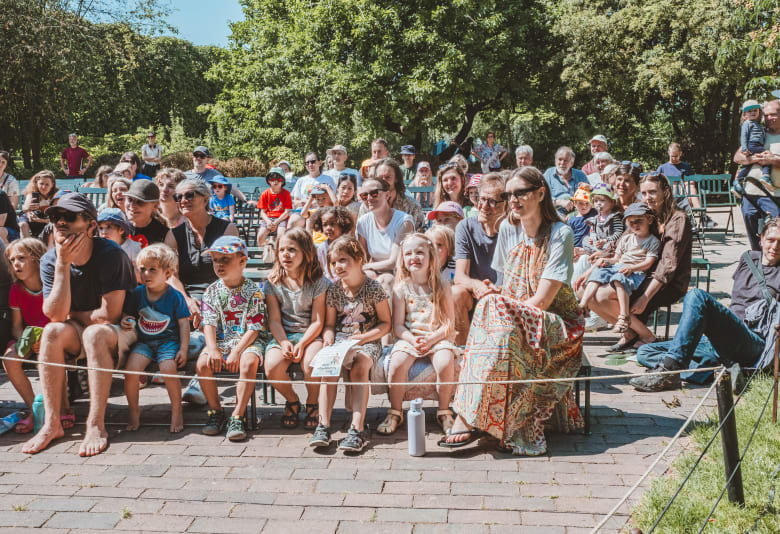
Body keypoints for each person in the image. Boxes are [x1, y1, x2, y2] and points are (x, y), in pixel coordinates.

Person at [439, 166, 584, 455]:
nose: (513, 200)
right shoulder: (508, 228)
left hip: (558, 323)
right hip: (517, 313)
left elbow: (542, 301)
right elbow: (509, 284)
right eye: (509, 194)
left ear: (541, 193)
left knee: (493, 309)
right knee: (494, 312)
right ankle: (480, 417)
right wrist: (500, 305)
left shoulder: (560, 234)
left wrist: (501, 309)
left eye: (521, 193)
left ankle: (468, 417)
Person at [22, 193, 137, 456]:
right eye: (55, 217)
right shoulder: (52, 260)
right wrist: (62, 265)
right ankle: (52, 424)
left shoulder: (111, 254)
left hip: (124, 331)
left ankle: (96, 424)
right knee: (51, 332)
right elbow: (54, 315)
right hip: (84, 330)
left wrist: (73, 315)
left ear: (90, 225)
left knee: (95, 334)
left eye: (69, 217)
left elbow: (111, 314)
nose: (60, 223)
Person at [631, 217, 780, 391]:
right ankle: (721, 370)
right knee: (645, 352)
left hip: (752, 341)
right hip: (719, 340)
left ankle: (671, 371)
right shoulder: (748, 259)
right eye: (770, 240)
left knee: (696, 295)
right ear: (760, 239)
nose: (775, 246)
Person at [588, 173, 692, 351]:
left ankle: (645, 336)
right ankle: (631, 333)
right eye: (643, 193)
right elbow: (622, 243)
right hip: (637, 273)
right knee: (584, 288)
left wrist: (645, 298)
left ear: (665, 191)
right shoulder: (644, 213)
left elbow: (668, 264)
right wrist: (594, 265)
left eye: (652, 192)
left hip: (666, 282)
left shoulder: (677, 219)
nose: (647, 198)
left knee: (603, 296)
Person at [309, 235, 391, 452]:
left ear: (359, 260)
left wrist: (363, 338)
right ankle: (323, 424)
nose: (338, 266)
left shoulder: (373, 288)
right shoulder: (334, 290)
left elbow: (385, 324)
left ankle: (356, 427)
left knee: (360, 365)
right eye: (334, 262)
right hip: (340, 341)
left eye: (343, 260)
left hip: (367, 341)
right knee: (328, 369)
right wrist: (328, 337)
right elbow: (329, 324)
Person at [377, 233, 457, 436]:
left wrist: (431, 339)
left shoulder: (442, 286)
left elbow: (449, 324)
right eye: (409, 253)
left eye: (420, 252)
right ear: (402, 259)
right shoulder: (401, 289)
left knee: (445, 362)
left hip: (437, 337)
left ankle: (444, 411)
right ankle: (395, 411)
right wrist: (412, 339)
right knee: (396, 363)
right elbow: (397, 326)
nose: (415, 257)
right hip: (410, 337)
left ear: (431, 257)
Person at [196, 236, 267, 441]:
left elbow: (255, 327)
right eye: (216, 260)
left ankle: (238, 414)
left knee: (248, 362)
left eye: (225, 260)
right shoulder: (211, 291)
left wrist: (237, 351)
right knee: (203, 364)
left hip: (248, 341)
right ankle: (216, 411)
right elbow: (208, 322)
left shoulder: (254, 291)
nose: (219, 264)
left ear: (242, 261)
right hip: (221, 340)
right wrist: (212, 349)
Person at [264, 229, 328, 431]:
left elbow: (318, 321)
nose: (285, 254)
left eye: (292, 250)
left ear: (306, 253)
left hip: (310, 335)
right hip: (284, 333)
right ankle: (292, 400)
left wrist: (301, 343)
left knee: (311, 364)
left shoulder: (318, 282)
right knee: (272, 367)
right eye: (282, 250)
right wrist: (284, 342)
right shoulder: (273, 282)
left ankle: (312, 401)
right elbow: (274, 320)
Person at [122, 244, 190, 432]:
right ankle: (134, 411)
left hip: (169, 342)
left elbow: (184, 323)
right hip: (144, 342)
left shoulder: (175, 296)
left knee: (168, 368)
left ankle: (177, 411)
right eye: (142, 269)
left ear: (167, 273)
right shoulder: (137, 293)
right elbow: (129, 315)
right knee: (130, 371)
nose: (146, 274)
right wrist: (126, 320)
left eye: (153, 269)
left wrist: (183, 348)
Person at [165, 179, 240, 329]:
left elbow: (233, 272)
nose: (183, 201)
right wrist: (186, 300)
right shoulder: (173, 235)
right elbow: (170, 275)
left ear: (205, 199)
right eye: (178, 197)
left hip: (221, 296)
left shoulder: (227, 230)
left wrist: (209, 303)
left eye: (189, 195)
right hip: (186, 299)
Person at [579, 202, 661, 333]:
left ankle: (624, 315)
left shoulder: (653, 241)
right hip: (619, 266)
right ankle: (583, 305)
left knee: (618, 278)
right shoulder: (627, 238)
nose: (635, 225)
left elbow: (648, 262)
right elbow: (616, 258)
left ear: (649, 220)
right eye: (631, 222)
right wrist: (606, 260)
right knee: (598, 271)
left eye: (639, 221)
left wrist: (632, 268)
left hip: (635, 271)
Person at [2, 239, 52, 434]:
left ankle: (60, 408)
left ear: (37, 258)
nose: (16, 264)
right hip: (28, 337)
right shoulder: (16, 289)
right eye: (12, 259)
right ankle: (35, 409)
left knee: (50, 356)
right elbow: (16, 325)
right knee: (9, 359)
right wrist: (27, 341)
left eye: (21, 258)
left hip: (52, 335)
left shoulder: (51, 284)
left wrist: (43, 341)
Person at [452, 173, 505, 345]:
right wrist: (479, 287)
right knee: (456, 293)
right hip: (476, 294)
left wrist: (495, 291)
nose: (483, 206)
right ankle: (463, 354)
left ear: (506, 205)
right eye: (481, 199)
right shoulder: (465, 227)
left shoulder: (513, 229)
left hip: (505, 293)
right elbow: (460, 276)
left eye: (492, 201)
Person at [356, 179, 415, 299]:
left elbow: (394, 262)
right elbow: (364, 258)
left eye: (374, 193)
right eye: (364, 195)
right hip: (374, 269)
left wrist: (366, 267)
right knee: (367, 277)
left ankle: (386, 318)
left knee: (386, 280)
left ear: (387, 195)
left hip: (399, 271)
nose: (369, 198)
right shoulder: (363, 222)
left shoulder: (404, 221)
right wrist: (367, 269)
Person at [734, 100, 780, 251]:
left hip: (775, 193)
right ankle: (758, 259)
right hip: (751, 191)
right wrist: (754, 159)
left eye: (773, 114)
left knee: (775, 228)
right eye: (766, 115)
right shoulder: (758, 131)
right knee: (750, 222)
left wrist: (773, 160)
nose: (768, 118)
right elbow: (737, 157)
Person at [357, 158, 426, 232]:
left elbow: (421, 233)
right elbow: (360, 233)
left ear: (396, 179)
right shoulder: (368, 205)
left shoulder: (412, 206)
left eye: (388, 177)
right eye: (380, 178)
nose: (383, 181)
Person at [543, 146, 589, 216]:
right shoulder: (548, 174)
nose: (562, 163)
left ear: (572, 163)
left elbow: (590, 196)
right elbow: (542, 196)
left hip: (579, 214)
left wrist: (574, 214)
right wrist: (559, 202)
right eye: (560, 159)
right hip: (555, 214)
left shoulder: (580, 175)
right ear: (555, 161)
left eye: (566, 160)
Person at [124, 180, 170, 248]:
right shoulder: (119, 226)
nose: (132, 205)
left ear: (155, 206)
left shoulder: (164, 234)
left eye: (140, 202)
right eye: (130, 199)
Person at [736, 100, 772, 183]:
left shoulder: (757, 124)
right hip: (753, 144)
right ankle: (766, 176)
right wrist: (744, 148)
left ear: (759, 111)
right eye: (749, 111)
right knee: (767, 156)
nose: (753, 113)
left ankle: (738, 181)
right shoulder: (747, 123)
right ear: (744, 115)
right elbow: (743, 136)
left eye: (755, 110)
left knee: (748, 165)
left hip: (756, 145)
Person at [316, 206, 354, 282]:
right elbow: (322, 269)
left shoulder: (350, 244)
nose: (328, 228)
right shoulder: (322, 248)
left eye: (332, 224)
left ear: (342, 224)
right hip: (329, 283)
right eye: (325, 225)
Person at [257, 167, 292, 243]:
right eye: (272, 179)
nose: (275, 181)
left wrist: (276, 222)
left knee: (281, 235)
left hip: (281, 219)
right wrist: (268, 221)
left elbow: (286, 212)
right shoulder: (265, 194)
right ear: (269, 181)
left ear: (282, 181)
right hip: (268, 218)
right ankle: (263, 253)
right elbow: (262, 212)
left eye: (279, 179)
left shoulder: (286, 194)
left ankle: (278, 252)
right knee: (260, 236)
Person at [20, 170, 58, 238]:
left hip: (48, 219)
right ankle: (28, 245)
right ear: (36, 183)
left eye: (47, 184)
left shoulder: (56, 196)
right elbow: (25, 208)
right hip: (34, 218)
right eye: (41, 184)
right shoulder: (32, 194)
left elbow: (57, 216)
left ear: (52, 184)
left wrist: (41, 220)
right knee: (22, 225)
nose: (43, 187)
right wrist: (28, 210)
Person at [567, 184, 597, 249]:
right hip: (575, 248)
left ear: (592, 204)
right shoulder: (571, 220)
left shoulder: (594, 212)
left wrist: (591, 188)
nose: (584, 206)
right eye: (581, 203)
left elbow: (599, 196)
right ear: (575, 203)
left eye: (587, 203)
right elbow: (568, 237)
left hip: (590, 247)